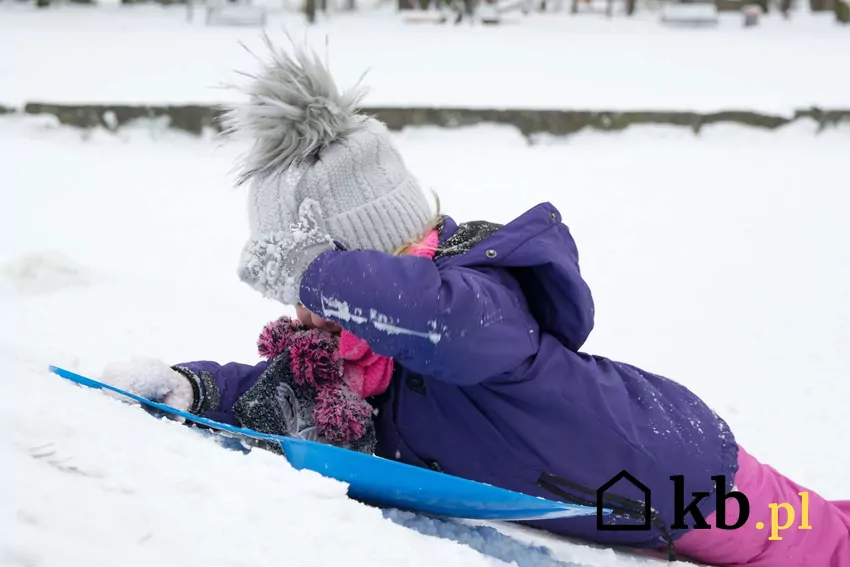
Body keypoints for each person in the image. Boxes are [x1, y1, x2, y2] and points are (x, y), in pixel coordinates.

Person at [100, 42, 849, 566]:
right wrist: (194, 387)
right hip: (628, 510)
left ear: (374, 260)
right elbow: (275, 394)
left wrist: (316, 273)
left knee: (823, 544)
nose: (300, 314)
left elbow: (442, 323)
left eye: (308, 287)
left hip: (690, 475)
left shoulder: (483, 303)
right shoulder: (356, 365)